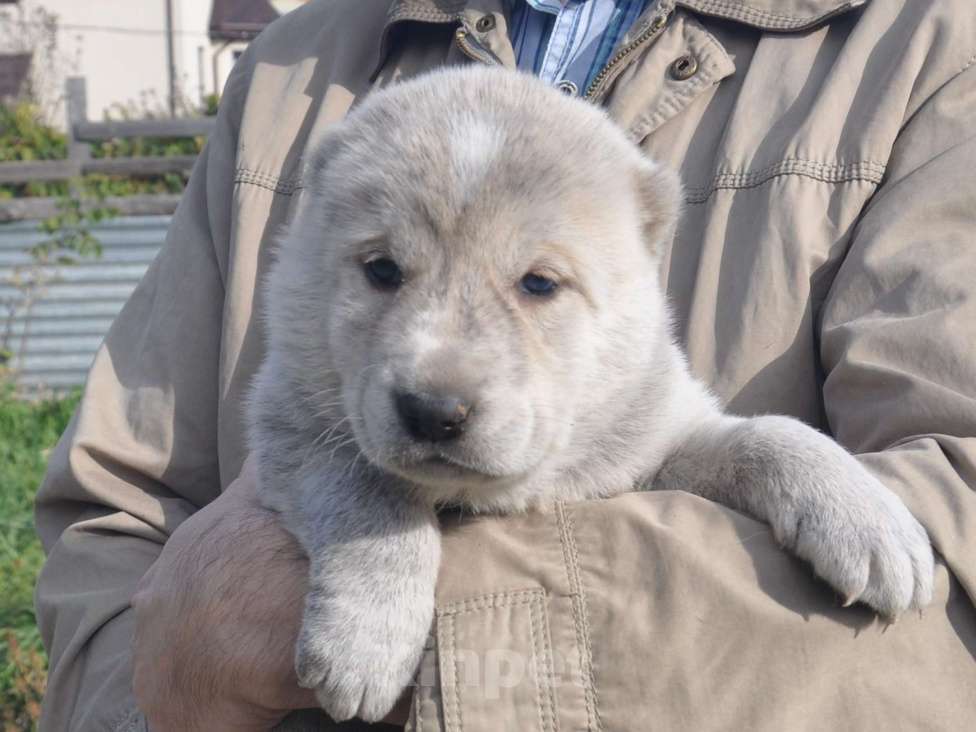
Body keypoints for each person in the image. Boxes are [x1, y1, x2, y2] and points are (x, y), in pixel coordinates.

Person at [34, 1, 976, 730]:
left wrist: (424, 610)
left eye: (536, 284)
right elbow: (118, 525)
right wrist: (163, 691)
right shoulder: (294, 67)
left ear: (651, 232)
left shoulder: (927, 49)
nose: (434, 371)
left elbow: (946, 537)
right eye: (384, 270)